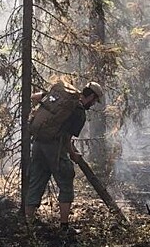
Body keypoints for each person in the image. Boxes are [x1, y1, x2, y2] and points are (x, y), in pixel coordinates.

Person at [25, 81, 104, 235]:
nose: (94, 104)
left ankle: (29, 224)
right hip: (55, 147)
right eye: (95, 100)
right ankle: (64, 226)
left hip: (39, 143)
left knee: (36, 180)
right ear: (92, 96)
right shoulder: (78, 111)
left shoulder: (64, 98)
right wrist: (73, 154)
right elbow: (67, 138)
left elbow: (35, 98)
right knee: (66, 180)